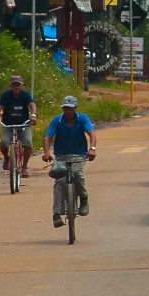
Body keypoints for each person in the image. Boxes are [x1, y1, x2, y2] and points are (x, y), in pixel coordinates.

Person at [42, 95, 96, 228]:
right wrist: (46, 152)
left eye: (70, 109)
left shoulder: (82, 118)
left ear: (75, 108)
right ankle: (56, 214)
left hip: (79, 155)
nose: (68, 111)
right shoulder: (57, 120)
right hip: (61, 156)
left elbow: (91, 134)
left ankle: (83, 199)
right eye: (65, 108)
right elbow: (48, 137)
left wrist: (92, 149)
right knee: (59, 182)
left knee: (78, 174)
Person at [0, 75, 37, 174]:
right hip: (8, 125)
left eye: (18, 85)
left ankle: (25, 167)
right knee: (4, 143)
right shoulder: (5, 95)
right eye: (14, 85)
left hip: (23, 125)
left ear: (21, 85)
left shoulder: (25, 95)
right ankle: (7, 158)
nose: (16, 87)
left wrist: (33, 115)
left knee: (28, 143)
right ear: (11, 86)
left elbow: (32, 105)